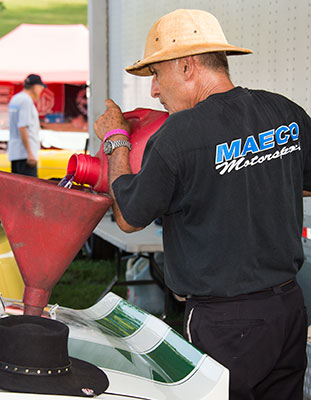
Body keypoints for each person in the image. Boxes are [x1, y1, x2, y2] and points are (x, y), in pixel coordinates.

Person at [94, 9, 311, 400]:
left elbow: (127, 217)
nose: (155, 91)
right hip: (289, 309)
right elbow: (303, 183)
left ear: (187, 66)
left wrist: (115, 137)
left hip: (226, 322)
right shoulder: (285, 113)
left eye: (157, 75)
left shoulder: (178, 136)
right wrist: (250, 172)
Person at [8, 74, 46, 177]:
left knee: (17, 189)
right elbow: (23, 127)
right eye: (41, 87)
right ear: (36, 87)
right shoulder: (26, 101)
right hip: (25, 154)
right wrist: (29, 153)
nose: (41, 90)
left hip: (15, 152)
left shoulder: (15, 99)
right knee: (29, 191)